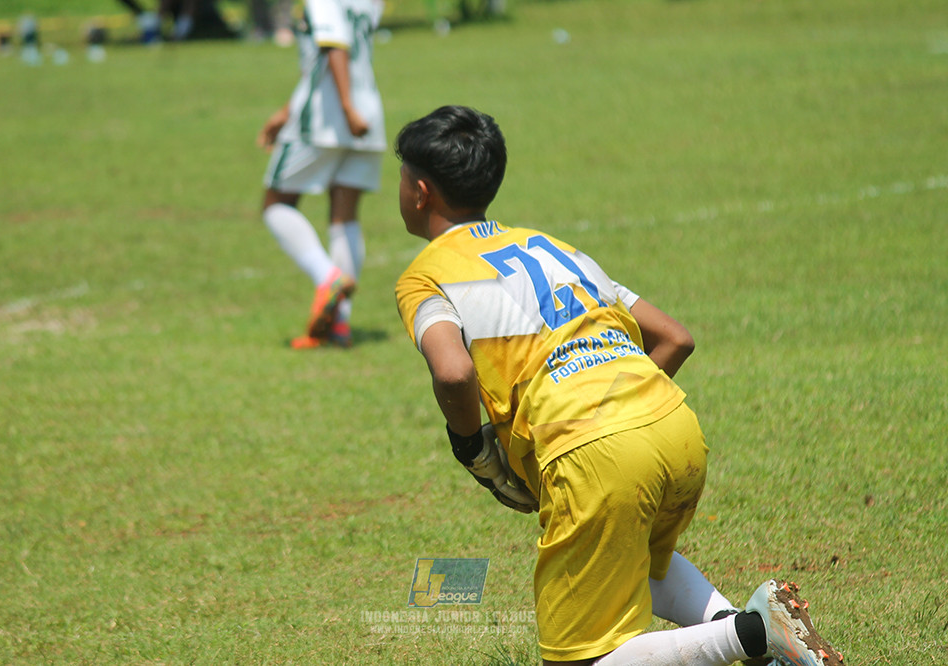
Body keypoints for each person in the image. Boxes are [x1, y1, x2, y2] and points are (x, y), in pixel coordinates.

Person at [393, 105, 845, 666]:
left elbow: (453, 371)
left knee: (581, 659)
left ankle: (753, 636)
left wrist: (471, 448)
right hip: (674, 426)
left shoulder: (426, 274)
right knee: (638, 560)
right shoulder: (552, 247)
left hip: (595, 456)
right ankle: (764, 640)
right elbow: (675, 337)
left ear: (419, 190)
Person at [258, 0, 385, 349]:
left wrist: (344, 106)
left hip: (327, 118)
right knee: (344, 217)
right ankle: (339, 324)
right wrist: (287, 110)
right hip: (368, 112)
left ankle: (327, 277)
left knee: (275, 203)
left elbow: (334, 45)